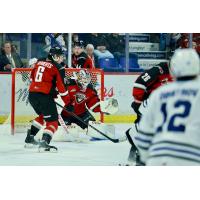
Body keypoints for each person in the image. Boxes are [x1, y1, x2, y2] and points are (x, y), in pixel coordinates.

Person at [134, 48, 200, 165]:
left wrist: (144, 160)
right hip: (191, 157)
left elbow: (144, 135)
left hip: (158, 157)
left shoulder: (160, 94)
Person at [125, 62, 173, 165]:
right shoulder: (160, 69)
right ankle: (134, 160)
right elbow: (139, 83)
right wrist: (139, 103)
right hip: (148, 106)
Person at [24, 47, 70, 151]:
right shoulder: (58, 67)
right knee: (53, 121)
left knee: (43, 116)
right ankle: (44, 143)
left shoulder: (39, 62)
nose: (62, 59)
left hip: (32, 95)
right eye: (61, 56)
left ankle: (30, 138)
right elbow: (62, 88)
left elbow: (32, 78)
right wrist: (68, 103)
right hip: (44, 96)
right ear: (55, 56)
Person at [60, 69, 118, 138]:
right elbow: (58, 98)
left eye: (87, 79)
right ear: (78, 78)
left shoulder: (90, 89)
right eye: (84, 79)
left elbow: (93, 104)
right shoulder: (68, 85)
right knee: (63, 132)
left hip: (82, 114)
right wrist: (64, 106)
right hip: (65, 115)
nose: (86, 82)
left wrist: (103, 108)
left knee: (95, 128)